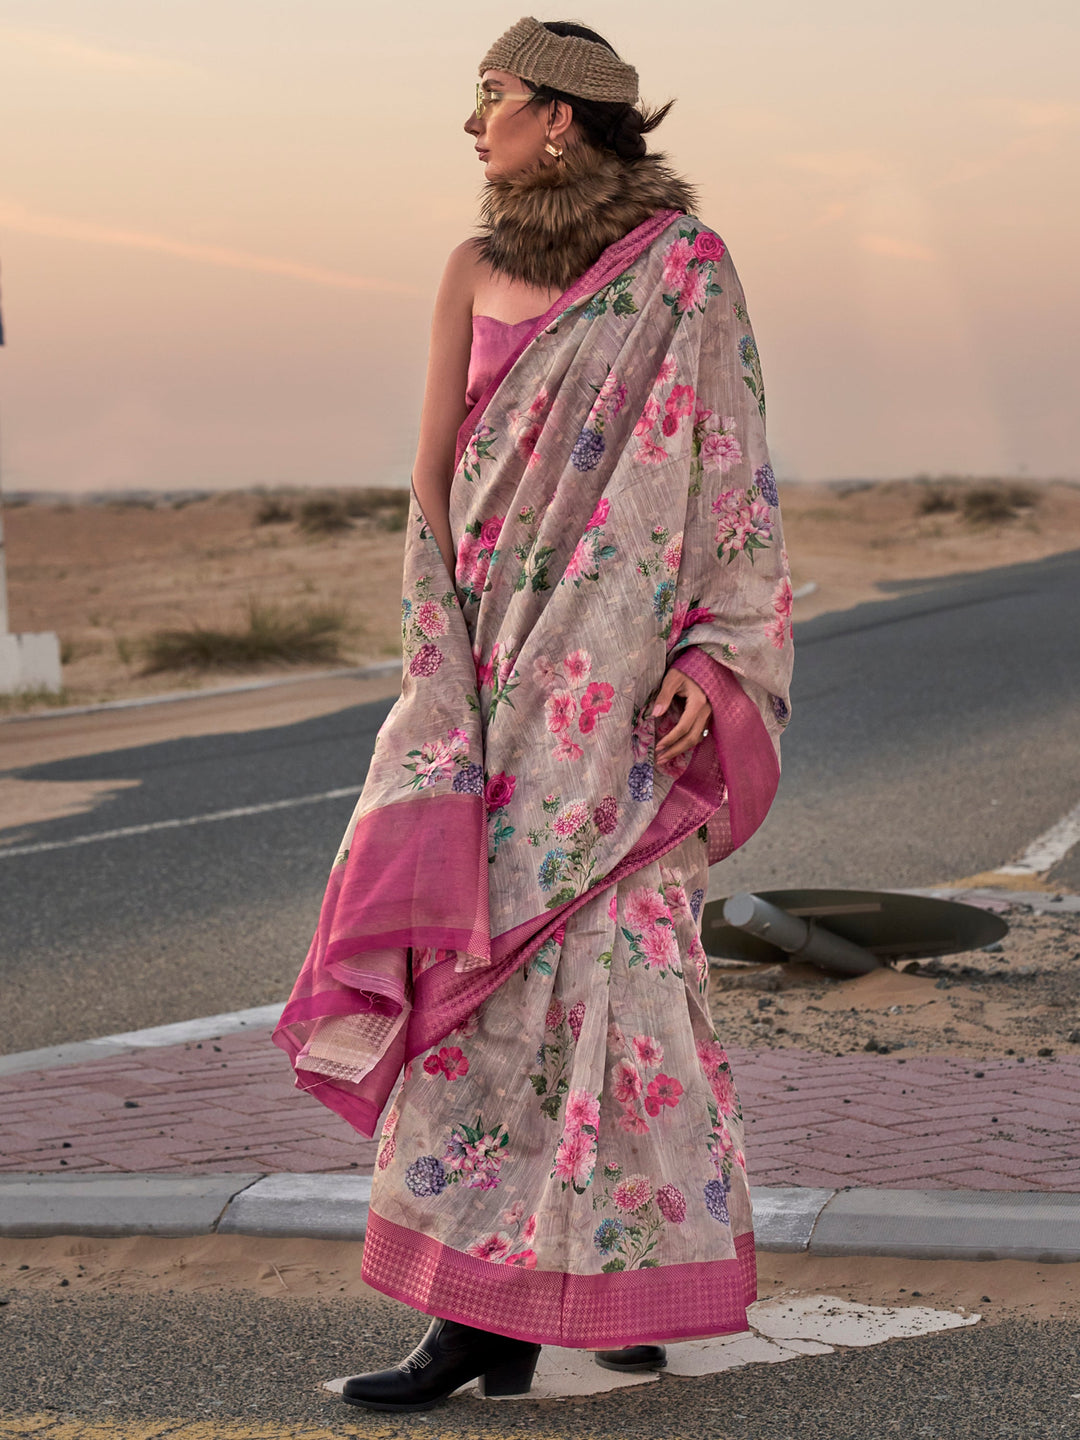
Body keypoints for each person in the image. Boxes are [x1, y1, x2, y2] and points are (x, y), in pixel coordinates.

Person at [273, 15, 794, 1413]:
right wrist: (437, 673)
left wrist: (710, 651)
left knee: (626, 996)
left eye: (490, 99)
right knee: (474, 980)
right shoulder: (473, 267)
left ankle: (620, 1280)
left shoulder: (685, 273)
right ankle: (476, 1325)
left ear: (561, 117)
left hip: (622, 699)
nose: (473, 125)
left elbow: (729, 479)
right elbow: (434, 482)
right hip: (492, 684)